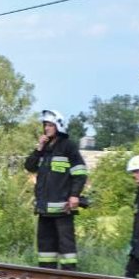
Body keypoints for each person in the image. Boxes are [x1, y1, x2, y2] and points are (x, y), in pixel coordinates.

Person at [23, 109, 87, 270]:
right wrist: (39, 148)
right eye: (45, 125)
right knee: (45, 247)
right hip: (44, 209)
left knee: (66, 247)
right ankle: (46, 276)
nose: (46, 128)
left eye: (50, 125)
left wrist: (74, 195)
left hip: (63, 208)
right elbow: (29, 166)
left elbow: (80, 173)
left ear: (58, 126)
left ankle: (70, 277)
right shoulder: (44, 148)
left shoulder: (68, 147)